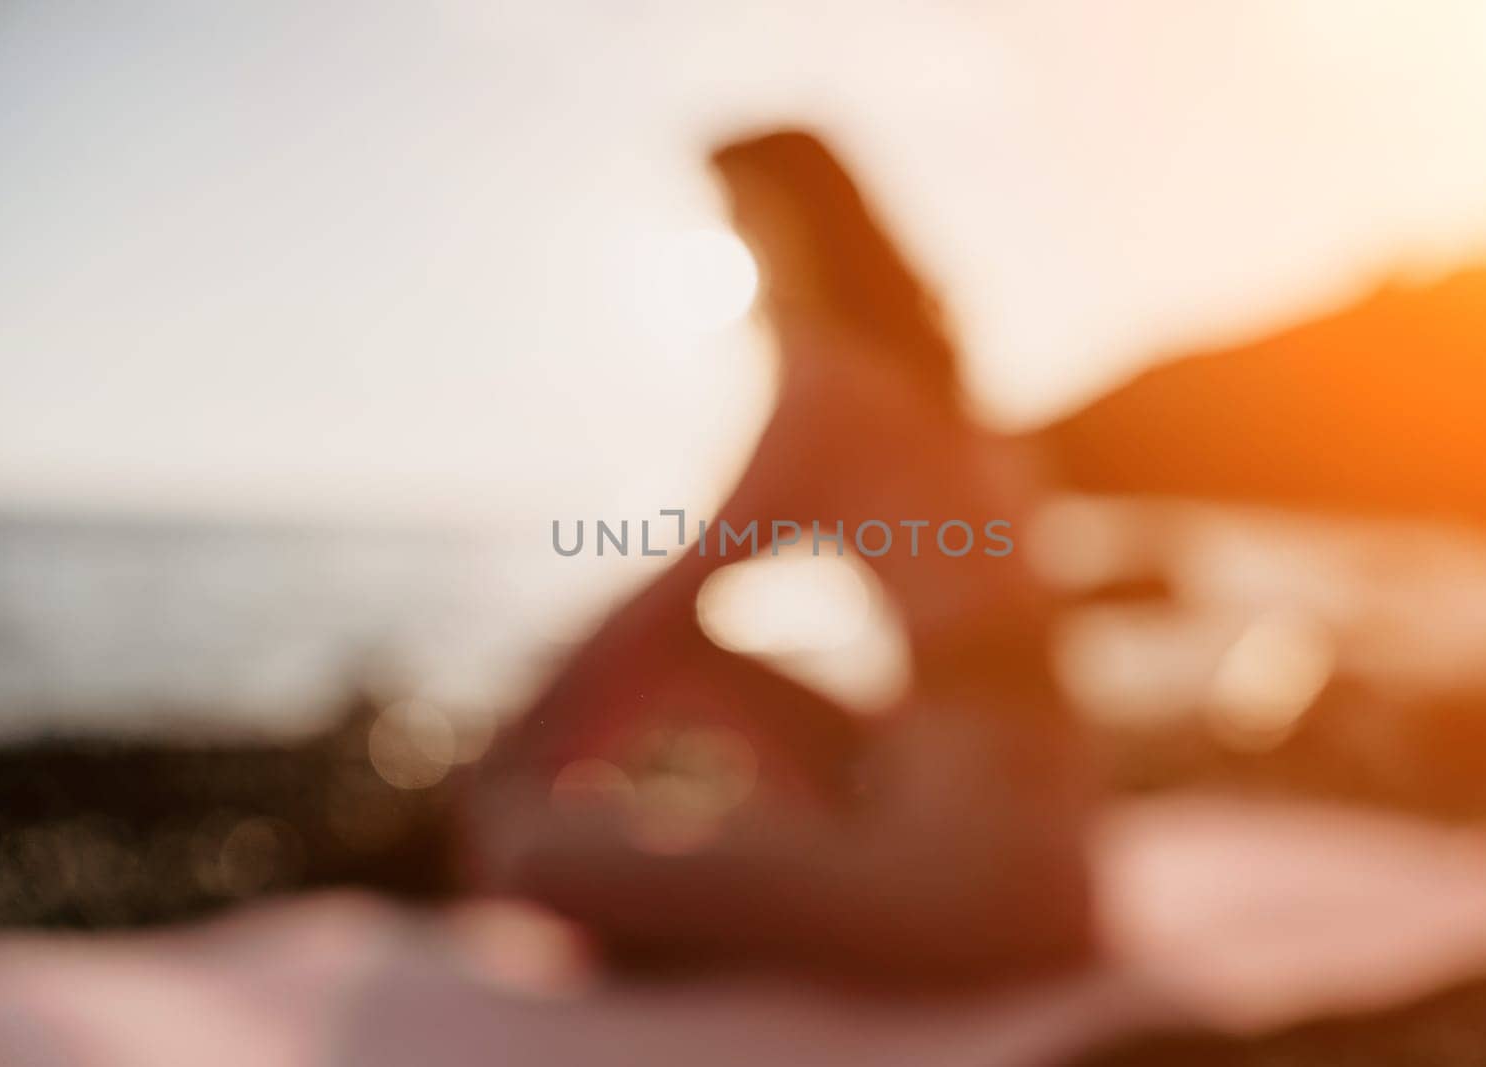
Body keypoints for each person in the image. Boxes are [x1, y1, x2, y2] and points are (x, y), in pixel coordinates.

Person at [456, 129, 1096, 984]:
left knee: (524, 852)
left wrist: (509, 758)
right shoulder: (928, 387)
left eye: (747, 214)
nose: (743, 242)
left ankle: (585, 831)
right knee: (687, 667)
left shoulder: (834, 383)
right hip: (1025, 830)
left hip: (973, 876)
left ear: (807, 224)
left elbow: (675, 590)